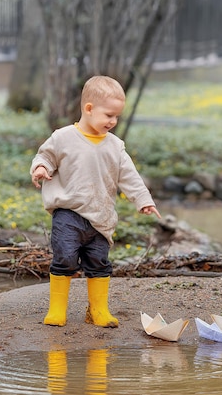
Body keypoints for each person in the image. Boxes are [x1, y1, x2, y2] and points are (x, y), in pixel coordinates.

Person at [30, 75, 161, 328]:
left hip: (101, 218)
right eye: (109, 115)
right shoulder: (63, 137)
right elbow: (44, 156)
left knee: (99, 262)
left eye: (116, 117)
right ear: (89, 109)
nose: (113, 121)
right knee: (65, 258)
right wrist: (40, 168)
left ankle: (98, 310)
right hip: (68, 213)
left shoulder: (115, 146)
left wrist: (143, 200)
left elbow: (130, 177)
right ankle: (57, 310)